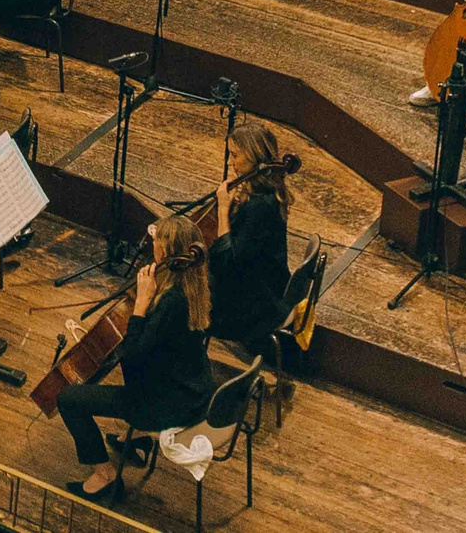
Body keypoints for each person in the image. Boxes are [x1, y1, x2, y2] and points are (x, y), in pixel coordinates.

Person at [46, 215, 216, 505]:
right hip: (194, 391)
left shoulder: (172, 303)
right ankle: (135, 437)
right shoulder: (194, 282)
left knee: (68, 399)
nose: (153, 246)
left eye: (157, 242)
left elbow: (134, 354)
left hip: (165, 405)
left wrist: (139, 307)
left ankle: (104, 475)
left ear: (166, 252)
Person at [207, 124, 296, 367]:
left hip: (254, 308)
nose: (230, 161)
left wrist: (224, 209)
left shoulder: (260, 206)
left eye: (235, 155)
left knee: (188, 305)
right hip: (263, 287)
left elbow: (227, 264)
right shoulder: (266, 192)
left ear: (255, 155)